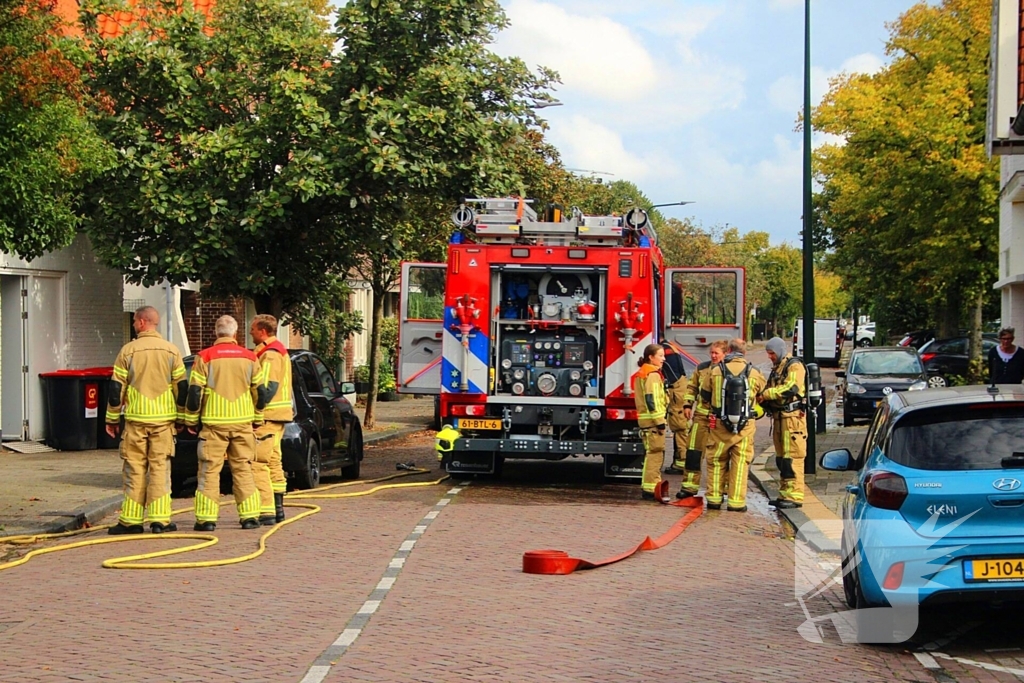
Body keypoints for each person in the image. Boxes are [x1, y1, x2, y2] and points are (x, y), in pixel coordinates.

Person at [105, 306, 188, 534]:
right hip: (163, 423)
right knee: (160, 469)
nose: (133, 325)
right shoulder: (172, 351)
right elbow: (181, 387)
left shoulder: (128, 351)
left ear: (142, 322)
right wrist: (181, 417)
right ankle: (160, 521)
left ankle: (131, 521)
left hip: (135, 421)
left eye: (134, 321)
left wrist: (112, 419)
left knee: (134, 469)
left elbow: (116, 389)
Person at [184, 315, 266, 531]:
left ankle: (206, 520)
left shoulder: (204, 357)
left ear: (216, 333)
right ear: (235, 333)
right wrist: (257, 419)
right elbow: (260, 393)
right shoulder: (250, 357)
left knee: (209, 472)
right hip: (242, 424)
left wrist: (191, 420)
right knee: (243, 470)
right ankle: (249, 517)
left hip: (213, 425)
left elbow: (194, 393)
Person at [701, 338, 766, 512]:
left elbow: (704, 393)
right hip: (745, 426)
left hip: (719, 424)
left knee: (716, 460)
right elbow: (762, 394)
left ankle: (714, 499)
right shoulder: (754, 372)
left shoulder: (716, 370)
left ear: (728, 350)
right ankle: (736, 502)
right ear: (744, 353)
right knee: (740, 462)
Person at [250, 314, 295, 524]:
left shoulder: (270, 354)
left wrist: (255, 413)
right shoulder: (276, 351)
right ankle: (278, 509)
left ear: (263, 331)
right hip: (278, 416)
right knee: (274, 460)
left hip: (267, 417)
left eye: (253, 328)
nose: (250, 332)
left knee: (258, 463)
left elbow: (266, 388)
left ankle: (266, 511)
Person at [759, 336, 807, 509]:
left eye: (771, 353)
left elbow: (791, 387)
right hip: (780, 418)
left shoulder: (794, 366)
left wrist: (767, 394)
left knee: (792, 457)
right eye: (768, 353)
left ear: (779, 351)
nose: (770, 357)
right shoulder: (777, 368)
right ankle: (784, 494)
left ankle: (795, 496)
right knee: (782, 459)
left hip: (792, 419)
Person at [676, 340, 728, 499]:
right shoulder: (702, 368)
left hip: (720, 420)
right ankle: (689, 487)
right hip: (701, 417)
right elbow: (692, 387)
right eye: (711, 352)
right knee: (693, 451)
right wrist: (687, 405)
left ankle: (721, 489)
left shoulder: (728, 370)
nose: (713, 356)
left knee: (721, 456)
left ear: (724, 354)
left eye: (716, 353)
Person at [633, 343, 668, 501]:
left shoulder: (643, 372)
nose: (663, 359)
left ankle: (649, 485)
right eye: (660, 356)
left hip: (646, 421)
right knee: (655, 454)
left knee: (650, 453)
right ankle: (650, 487)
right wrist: (660, 421)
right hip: (653, 423)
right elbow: (651, 399)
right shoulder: (652, 374)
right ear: (651, 357)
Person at [661, 340, 689, 474]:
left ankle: (681, 463)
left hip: (676, 390)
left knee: (679, 426)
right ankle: (679, 461)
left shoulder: (665, 349)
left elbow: (671, 375)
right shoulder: (669, 346)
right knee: (679, 427)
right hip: (679, 388)